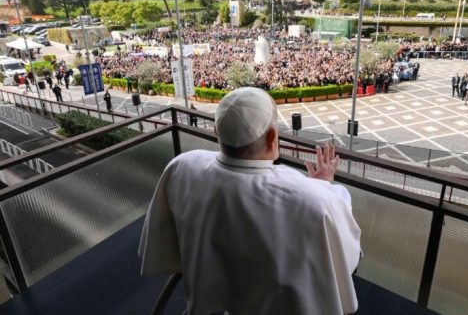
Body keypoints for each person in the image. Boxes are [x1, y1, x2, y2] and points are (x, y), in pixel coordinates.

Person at [139, 87, 362, 315]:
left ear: (217, 130)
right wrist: (323, 183)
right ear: (273, 137)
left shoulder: (183, 165)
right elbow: (346, 257)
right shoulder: (314, 198)